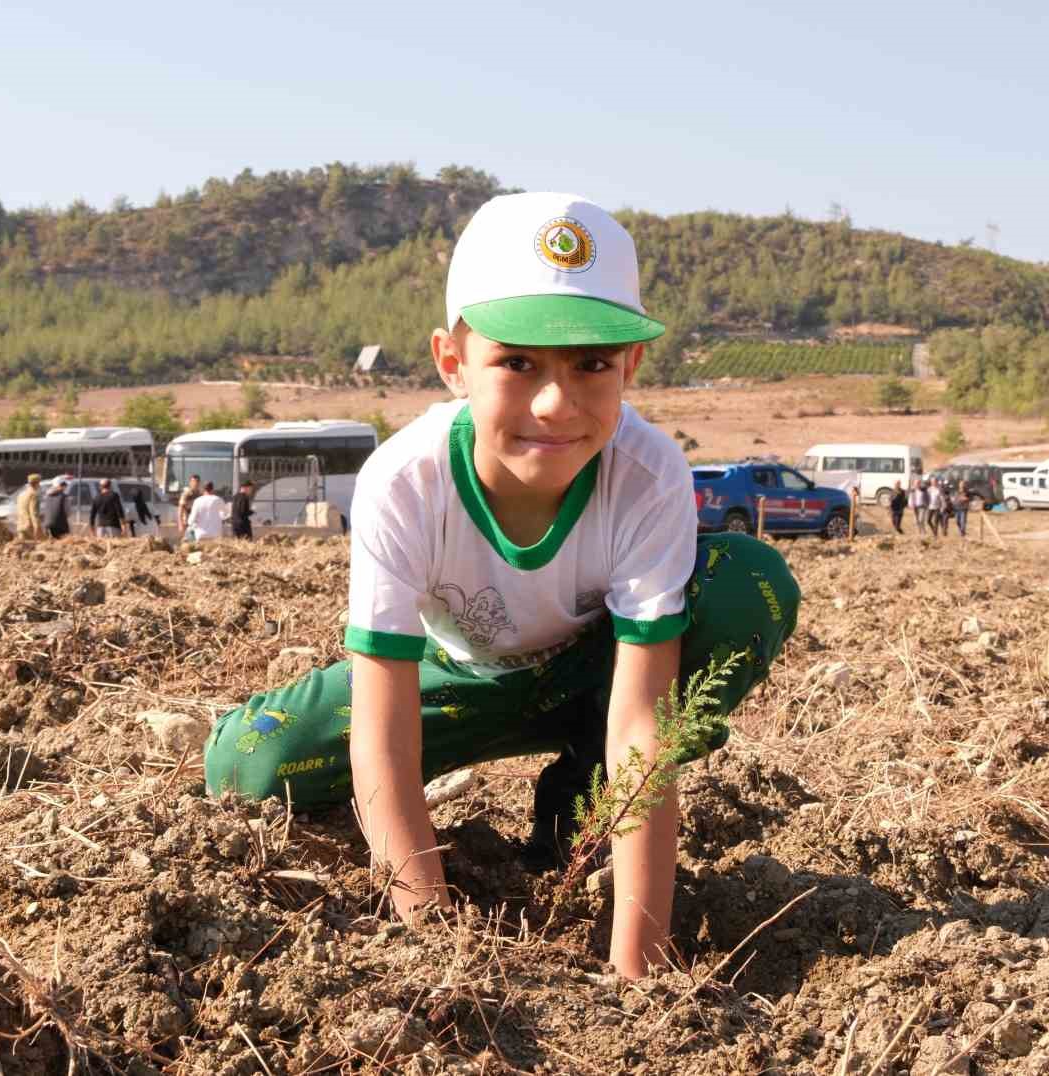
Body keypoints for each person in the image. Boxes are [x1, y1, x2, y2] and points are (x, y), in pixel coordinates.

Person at [202, 192, 800, 980]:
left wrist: (640, 971)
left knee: (746, 584)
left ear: (632, 365)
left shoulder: (648, 472)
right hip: (460, 679)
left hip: (596, 672)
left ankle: (571, 830)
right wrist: (431, 941)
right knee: (249, 765)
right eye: (516, 362)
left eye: (593, 364)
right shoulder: (407, 482)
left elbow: (640, 728)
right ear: (453, 363)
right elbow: (383, 728)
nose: (556, 404)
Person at [16, 474, 45, 540]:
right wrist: (37, 528)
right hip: (30, 527)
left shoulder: (21, 495)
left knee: (23, 548)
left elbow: (19, 511)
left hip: (21, 525)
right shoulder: (34, 495)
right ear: (37, 483)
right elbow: (34, 513)